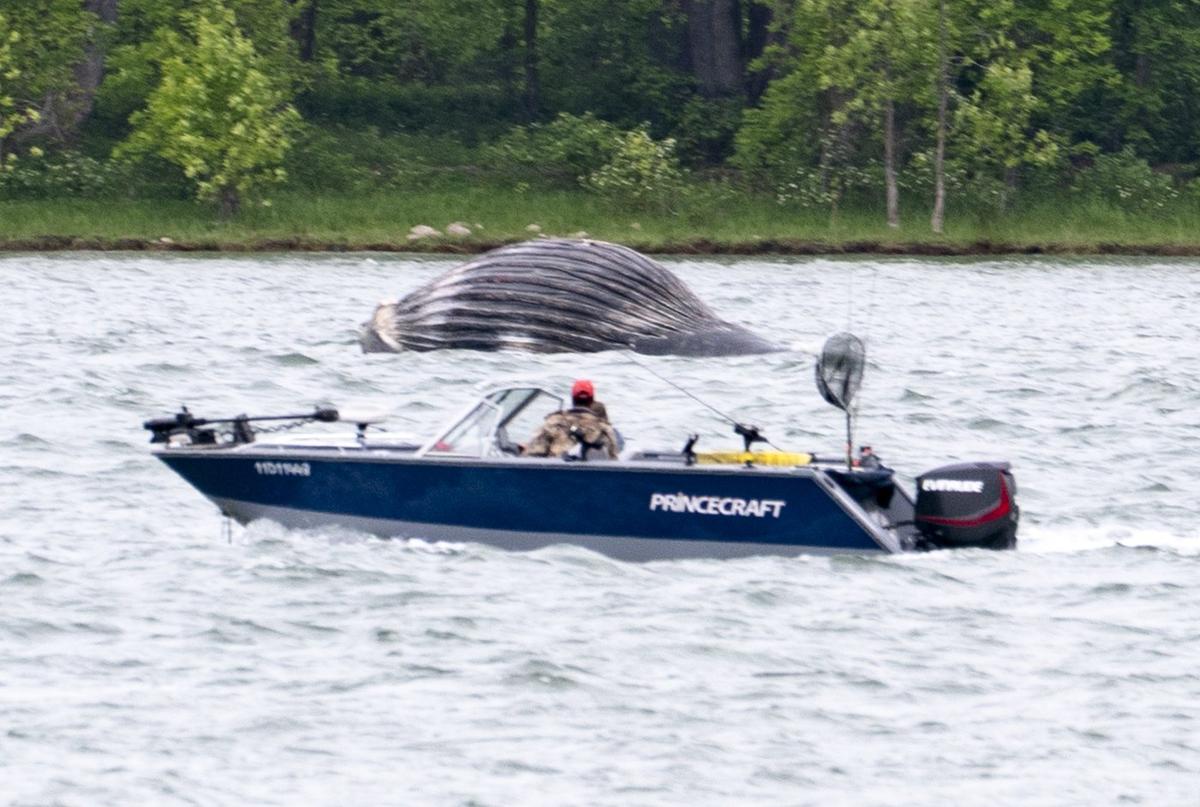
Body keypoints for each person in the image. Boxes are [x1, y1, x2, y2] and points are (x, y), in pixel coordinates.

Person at [524, 379, 618, 459]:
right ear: (592, 400)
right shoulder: (604, 428)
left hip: (554, 477)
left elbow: (532, 455)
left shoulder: (554, 423)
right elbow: (613, 461)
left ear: (573, 399)